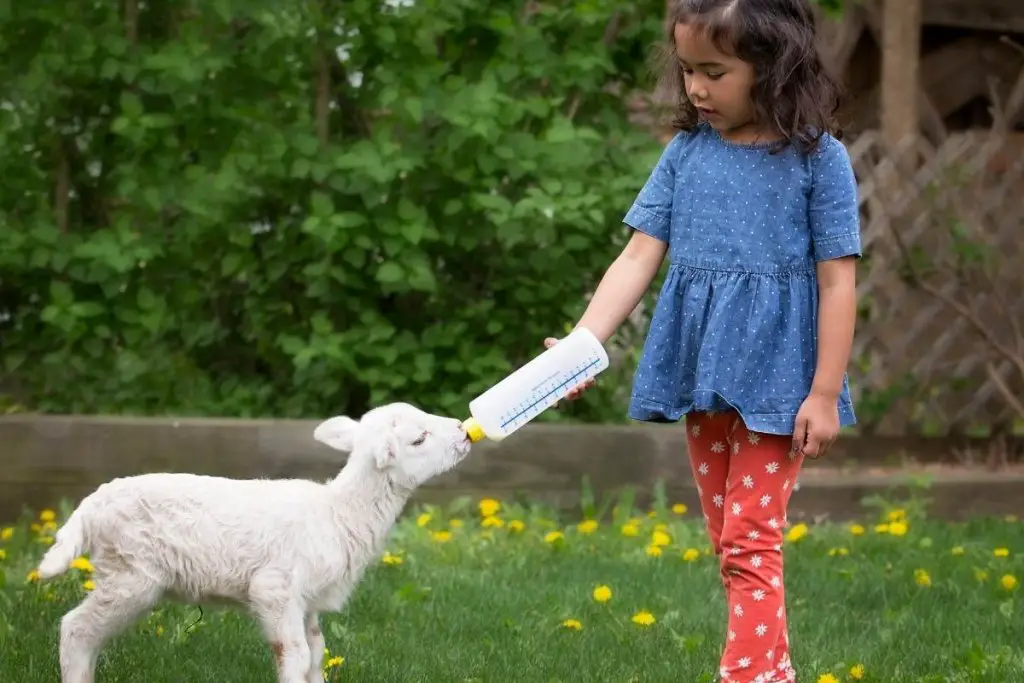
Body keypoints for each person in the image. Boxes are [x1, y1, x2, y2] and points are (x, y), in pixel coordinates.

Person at [545, 0, 860, 680]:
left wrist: (826, 392)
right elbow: (635, 258)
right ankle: (773, 671)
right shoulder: (686, 155)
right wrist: (582, 343)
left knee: (750, 541)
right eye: (688, 70)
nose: (695, 88)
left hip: (781, 380)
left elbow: (838, 283)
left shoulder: (818, 160)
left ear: (771, 67)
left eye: (714, 72)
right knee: (730, 540)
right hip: (702, 370)